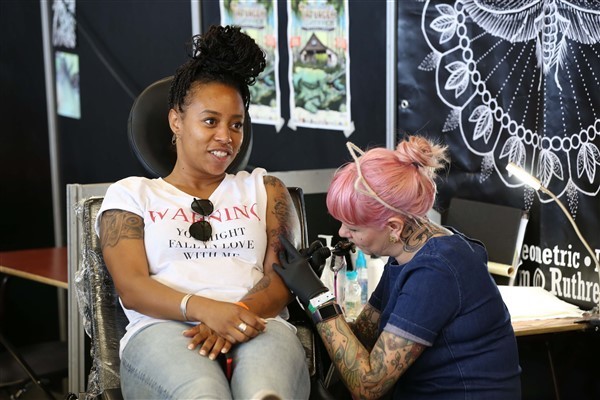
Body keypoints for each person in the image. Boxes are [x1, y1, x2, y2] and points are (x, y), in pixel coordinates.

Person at [96, 25, 309, 400]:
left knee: (264, 392)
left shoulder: (265, 189)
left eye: (236, 124)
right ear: (176, 121)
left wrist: (233, 315)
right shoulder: (131, 194)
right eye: (210, 121)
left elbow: (282, 280)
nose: (226, 136)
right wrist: (207, 310)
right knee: (201, 394)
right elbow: (132, 288)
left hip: (258, 322)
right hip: (163, 329)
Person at [274, 136, 522, 399]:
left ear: (393, 227)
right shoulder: (406, 253)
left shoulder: (435, 271)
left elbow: (367, 385)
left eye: (354, 228)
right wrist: (305, 298)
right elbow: (361, 339)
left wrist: (318, 297)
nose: (342, 233)